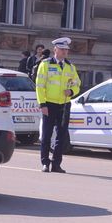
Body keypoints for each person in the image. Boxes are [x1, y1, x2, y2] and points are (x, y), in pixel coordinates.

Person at [35, 37, 81, 173]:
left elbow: (77, 84)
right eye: (62, 49)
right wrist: (42, 104)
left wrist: (71, 91)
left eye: (66, 50)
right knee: (46, 135)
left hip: (64, 105)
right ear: (55, 50)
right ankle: (45, 162)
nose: (65, 52)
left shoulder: (70, 67)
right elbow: (39, 86)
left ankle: (56, 164)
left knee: (61, 136)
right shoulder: (45, 64)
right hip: (49, 104)